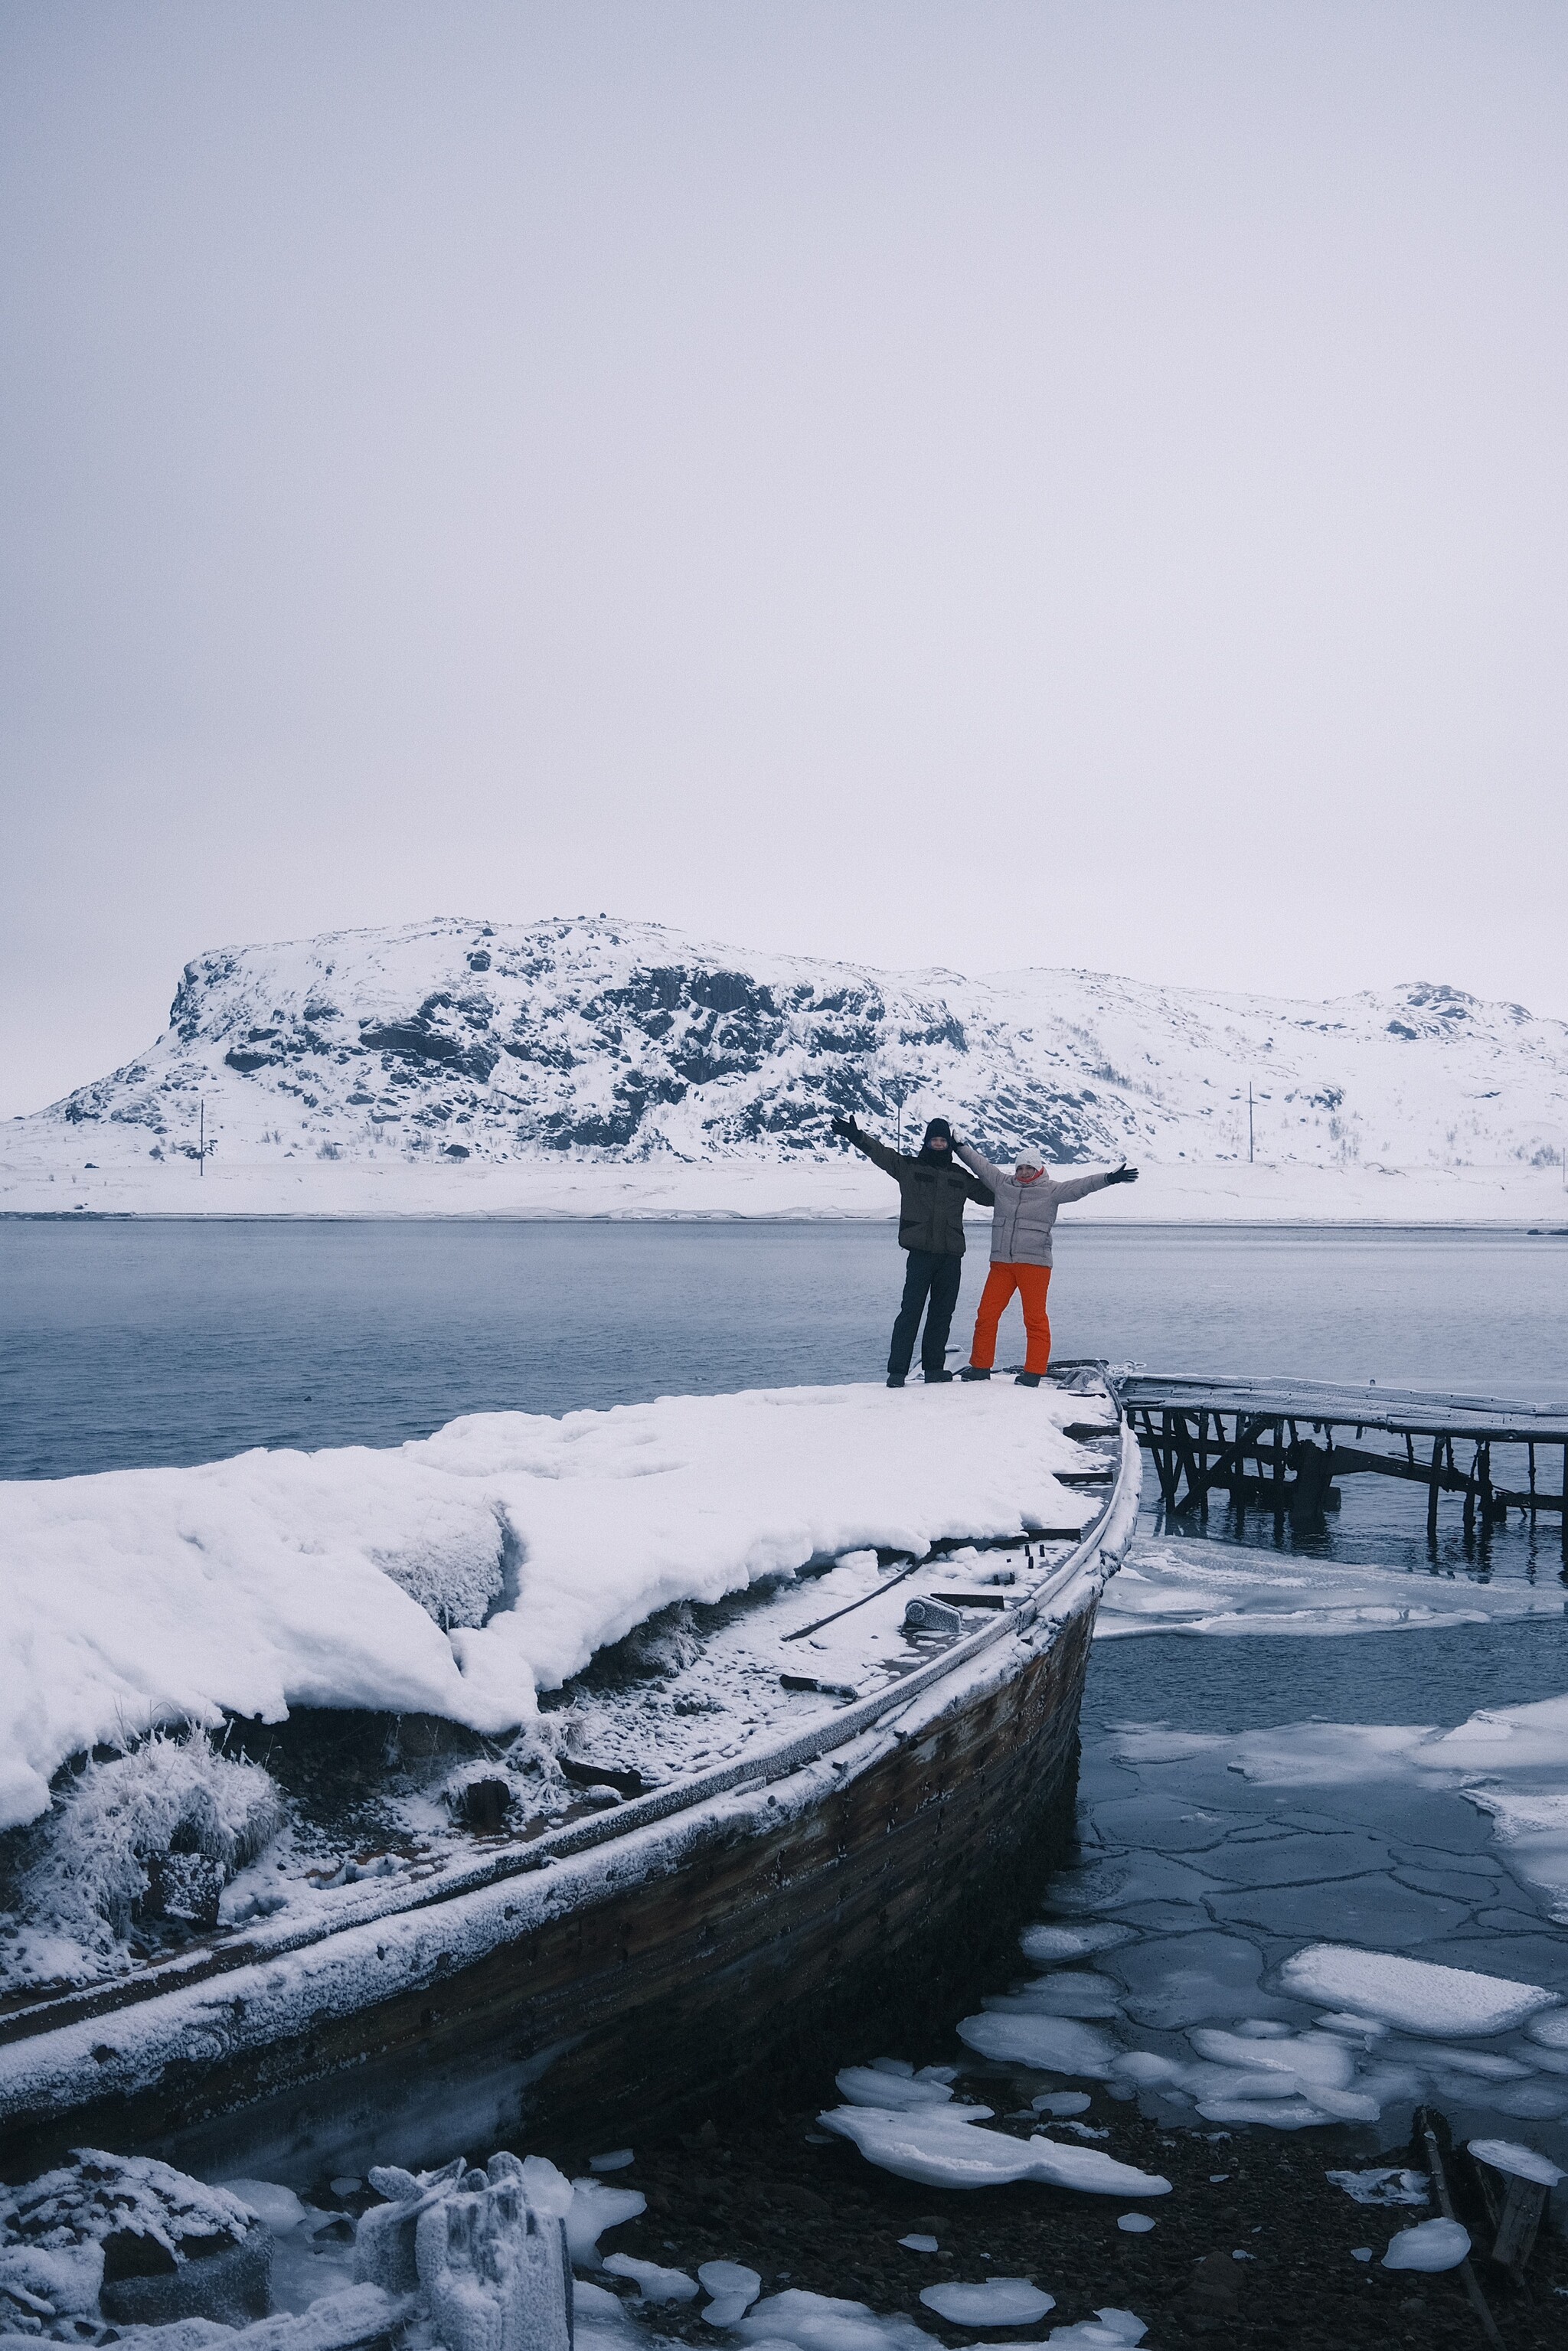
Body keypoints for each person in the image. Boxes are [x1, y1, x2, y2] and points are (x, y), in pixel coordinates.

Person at [953, 1141, 1138, 1386]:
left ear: (1038, 1169)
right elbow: (980, 1165)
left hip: (1035, 1265)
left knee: (1035, 1318)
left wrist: (1109, 1178)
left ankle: (1034, 1371)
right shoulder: (1002, 1184)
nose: (1024, 1173)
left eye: (1029, 1168)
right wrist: (959, 1146)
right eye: (1020, 1168)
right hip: (1001, 1265)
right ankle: (980, 1366)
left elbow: (1080, 1186)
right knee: (986, 1315)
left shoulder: (1051, 1191)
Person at [831, 1112, 994, 1387]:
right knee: (911, 1312)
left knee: (942, 1314)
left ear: (949, 1145)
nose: (940, 1144)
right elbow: (881, 1154)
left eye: (944, 1140)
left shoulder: (960, 1176)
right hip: (920, 1254)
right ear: (927, 1142)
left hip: (950, 1256)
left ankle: (933, 1369)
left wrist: (1019, 1186)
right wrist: (856, 1136)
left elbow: (993, 1196)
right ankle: (897, 1372)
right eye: (935, 1140)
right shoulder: (909, 1167)